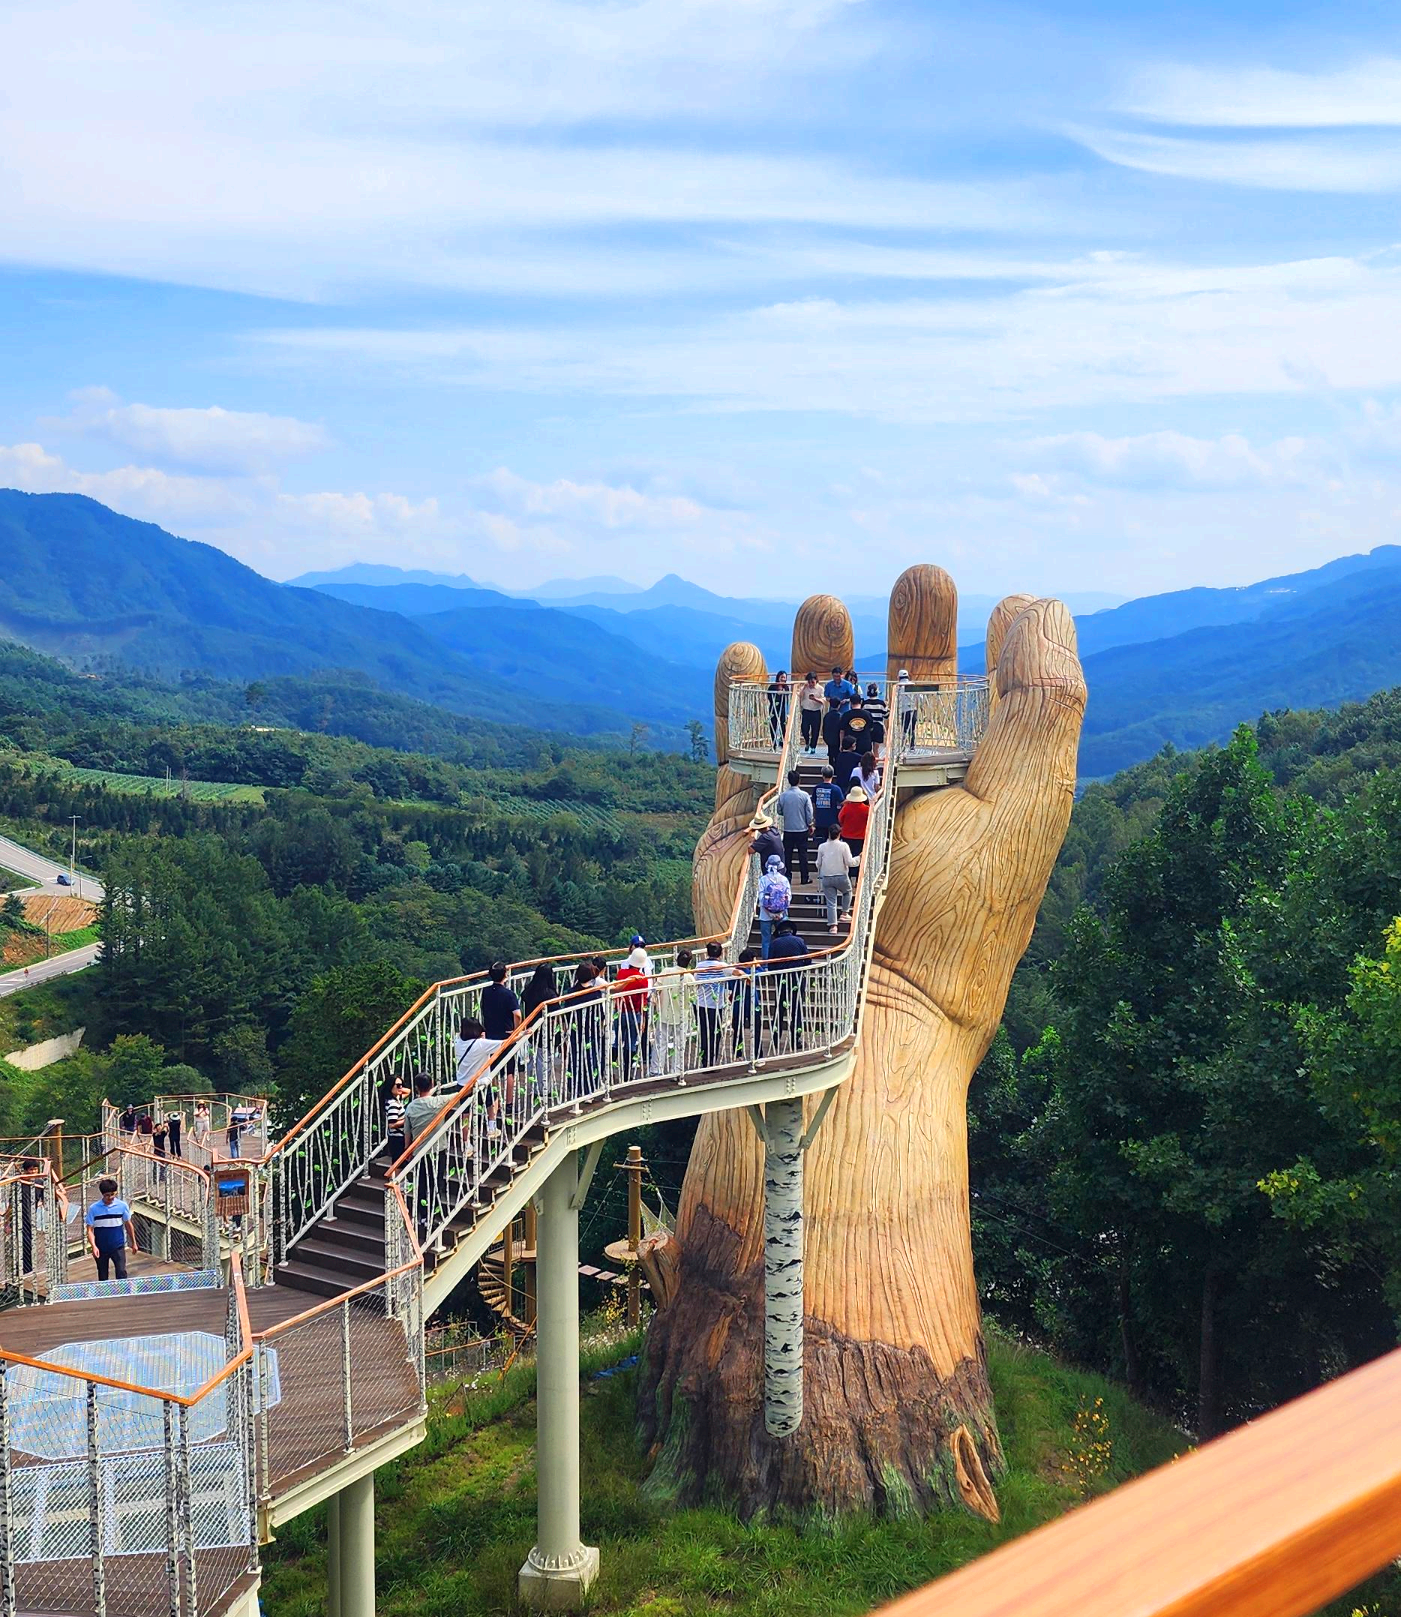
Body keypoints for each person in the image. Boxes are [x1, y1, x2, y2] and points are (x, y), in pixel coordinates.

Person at [651, 948, 697, 1077]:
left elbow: (656, 988)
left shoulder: (666, 972)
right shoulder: (689, 977)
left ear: (677, 959)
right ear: (689, 962)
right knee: (679, 1044)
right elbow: (693, 996)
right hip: (682, 1014)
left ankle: (656, 1069)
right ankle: (676, 1071)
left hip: (664, 1012)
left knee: (661, 1043)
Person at [765, 921, 809, 1050]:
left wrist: (777, 976)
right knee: (797, 1009)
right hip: (797, 979)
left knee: (779, 1009)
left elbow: (770, 964)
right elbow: (808, 960)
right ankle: (796, 1039)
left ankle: (775, 1038)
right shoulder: (799, 941)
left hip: (781, 980)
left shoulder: (774, 943)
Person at [86, 1177, 138, 1282]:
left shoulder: (122, 1206)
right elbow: (90, 1230)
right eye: (107, 1195)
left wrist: (134, 1243)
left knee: (121, 1272)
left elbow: (128, 1224)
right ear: (102, 1194)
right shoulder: (94, 1208)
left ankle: (122, 1291)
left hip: (117, 1246)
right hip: (101, 1247)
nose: (110, 1197)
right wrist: (94, 1246)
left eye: (112, 1194)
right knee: (103, 1275)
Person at [693, 941, 733, 1067]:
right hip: (715, 1005)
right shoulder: (723, 966)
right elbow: (736, 972)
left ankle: (705, 1061)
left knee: (704, 1032)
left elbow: (696, 981)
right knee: (715, 1033)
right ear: (721, 953)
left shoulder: (699, 965)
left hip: (700, 1003)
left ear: (707, 953)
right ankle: (711, 1060)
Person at [613, 951, 650, 1077]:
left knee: (617, 1041)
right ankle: (627, 1073)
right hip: (634, 1014)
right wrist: (643, 1019)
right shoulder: (642, 980)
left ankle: (608, 1070)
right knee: (631, 1042)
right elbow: (643, 1002)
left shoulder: (621, 973)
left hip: (619, 1011)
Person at [775, 769, 814, 884]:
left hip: (788, 828)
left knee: (788, 854)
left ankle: (788, 876)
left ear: (789, 781)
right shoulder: (804, 795)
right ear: (799, 781)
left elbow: (779, 810)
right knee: (803, 854)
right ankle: (804, 877)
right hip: (802, 829)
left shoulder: (783, 796)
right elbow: (809, 812)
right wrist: (810, 824)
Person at [816, 825, 855, 933]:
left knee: (831, 902)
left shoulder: (822, 846)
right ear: (839, 834)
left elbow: (818, 863)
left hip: (827, 877)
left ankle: (833, 926)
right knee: (847, 892)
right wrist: (859, 859)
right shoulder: (844, 845)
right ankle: (844, 913)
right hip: (841, 876)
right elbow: (849, 862)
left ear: (829, 833)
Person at [757, 853, 791, 960]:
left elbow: (761, 899)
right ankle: (781, 961)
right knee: (783, 939)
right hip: (782, 914)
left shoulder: (763, 879)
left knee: (766, 940)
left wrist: (770, 913)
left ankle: (766, 964)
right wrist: (780, 912)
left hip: (765, 914)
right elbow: (788, 898)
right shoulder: (784, 880)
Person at [732, 946, 763, 1058]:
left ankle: (737, 1054)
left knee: (737, 1031)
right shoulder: (752, 972)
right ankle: (758, 1055)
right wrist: (758, 966)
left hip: (737, 1004)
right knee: (756, 1030)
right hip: (752, 1004)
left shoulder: (734, 971)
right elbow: (760, 974)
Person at [454, 1016, 501, 1087]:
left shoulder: (458, 1042)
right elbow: (505, 1043)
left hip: (461, 1084)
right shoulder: (481, 1044)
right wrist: (519, 1034)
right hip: (477, 1086)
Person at [481, 963, 522, 1041]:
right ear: (505, 975)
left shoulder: (485, 991)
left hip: (490, 1034)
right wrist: (516, 1031)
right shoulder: (509, 994)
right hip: (506, 1034)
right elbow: (517, 1015)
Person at [822, 665, 854, 762]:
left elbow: (852, 697)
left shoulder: (847, 685)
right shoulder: (829, 685)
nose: (836, 678)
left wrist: (845, 700)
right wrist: (832, 701)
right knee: (833, 732)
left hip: (844, 711)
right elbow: (826, 696)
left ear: (842, 675)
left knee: (844, 731)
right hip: (833, 711)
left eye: (838, 676)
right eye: (834, 676)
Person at [403, 1072, 441, 1149]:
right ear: (432, 1085)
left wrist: (407, 1148)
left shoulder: (410, 1107)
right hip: (438, 1149)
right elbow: (461, 1095)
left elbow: (407, 1132)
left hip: (419, 1150)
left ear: (416, 1088)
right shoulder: (440, 1101)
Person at [811, 765, 845, 845]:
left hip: (820, 820)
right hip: (832, 821)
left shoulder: (817, 788)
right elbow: (842, 802)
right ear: (832, 775)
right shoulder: (836, 789)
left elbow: (813, 803)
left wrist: (814, 817)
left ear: (822, 775)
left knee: (821, 844)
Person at [839, 784, 870, 859]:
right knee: (859, 857)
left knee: (847, 857)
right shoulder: (867, 809)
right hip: (861, 836)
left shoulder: (846, 807)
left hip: (846, 835)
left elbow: (840, 818)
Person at [382, 1072, 408, 1159]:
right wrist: (407, 1119)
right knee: (399, 1163)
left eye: (402, 1085)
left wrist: (398, 1087)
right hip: (397, 1138)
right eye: (398, 1085)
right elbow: (392, 1125)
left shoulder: (391, 1100)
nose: (401, 1088)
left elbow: (408, 1091)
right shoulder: (393, 1104)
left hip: (395, 1137)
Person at [797, 673, 823, 753]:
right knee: (804, 728)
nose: (811, 684)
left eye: (812, 682)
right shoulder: (805, 688)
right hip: (806, 710)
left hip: (816, 711)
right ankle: (807, 742)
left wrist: (815, 699)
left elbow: (823, 700)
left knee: (815, 730)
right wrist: (804, 688)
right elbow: (799, 695)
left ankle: (813, 746)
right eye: (809, 682)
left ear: (816, 680)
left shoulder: (820, 689)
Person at [768, 670, 790, 748]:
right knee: (773, 725)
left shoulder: (786, 687)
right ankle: (773, 743)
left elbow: (786, 698)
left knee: (783, 726)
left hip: (782, 709)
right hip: (773, 709)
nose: (783, 679)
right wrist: (777, 693)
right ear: (778, 677)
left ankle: (782, 742)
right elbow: (769, 697)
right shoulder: (772, 687)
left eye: (784, 677)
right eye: (782, 677)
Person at [897, 668, 915, 751]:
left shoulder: (898, 686)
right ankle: (912, 746)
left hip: (904, 710)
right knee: (912, 729)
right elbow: (920, 697)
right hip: (913, 709)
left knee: (904, 729)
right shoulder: (913, 685)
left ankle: (903, 746)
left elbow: (897, 699)